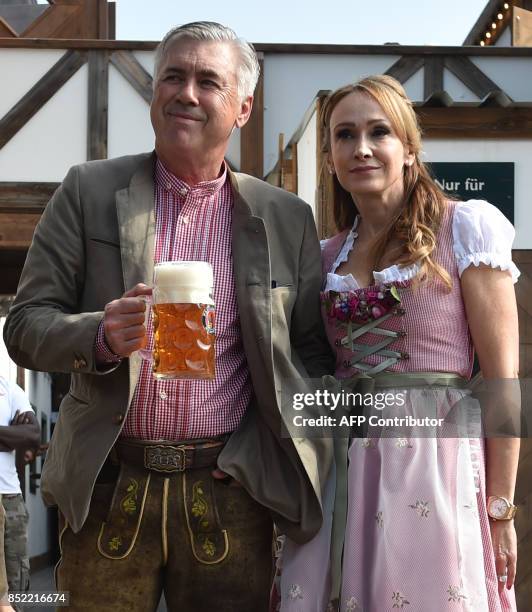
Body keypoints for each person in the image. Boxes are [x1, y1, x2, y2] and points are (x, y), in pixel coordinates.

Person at [3, 21, 333, 612]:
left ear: (243, 107)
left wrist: (265, 455)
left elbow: (312, 357)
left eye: (209, 81)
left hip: (230, 487)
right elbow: (24, 325)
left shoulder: (286, 216)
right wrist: (99, 335)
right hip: (110, 483)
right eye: (173, 76)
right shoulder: (88, 190)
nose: (186, 92)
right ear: (154, 91)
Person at [272, 75, 520, 611]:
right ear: (331, 157)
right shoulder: (322, 256)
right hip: (342, 464)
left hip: (434, 462)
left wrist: (501, 509)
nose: (360, 148)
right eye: (344, 135)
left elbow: (502, 383)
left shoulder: (465, 230)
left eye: (378, 132)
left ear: (408, 149)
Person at [0, 376, 39, 608]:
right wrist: (10, 436)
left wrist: (21, 435)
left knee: (17, 585)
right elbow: (22, 436)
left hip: (11, 498)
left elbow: (33, 433)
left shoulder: (8, 388)